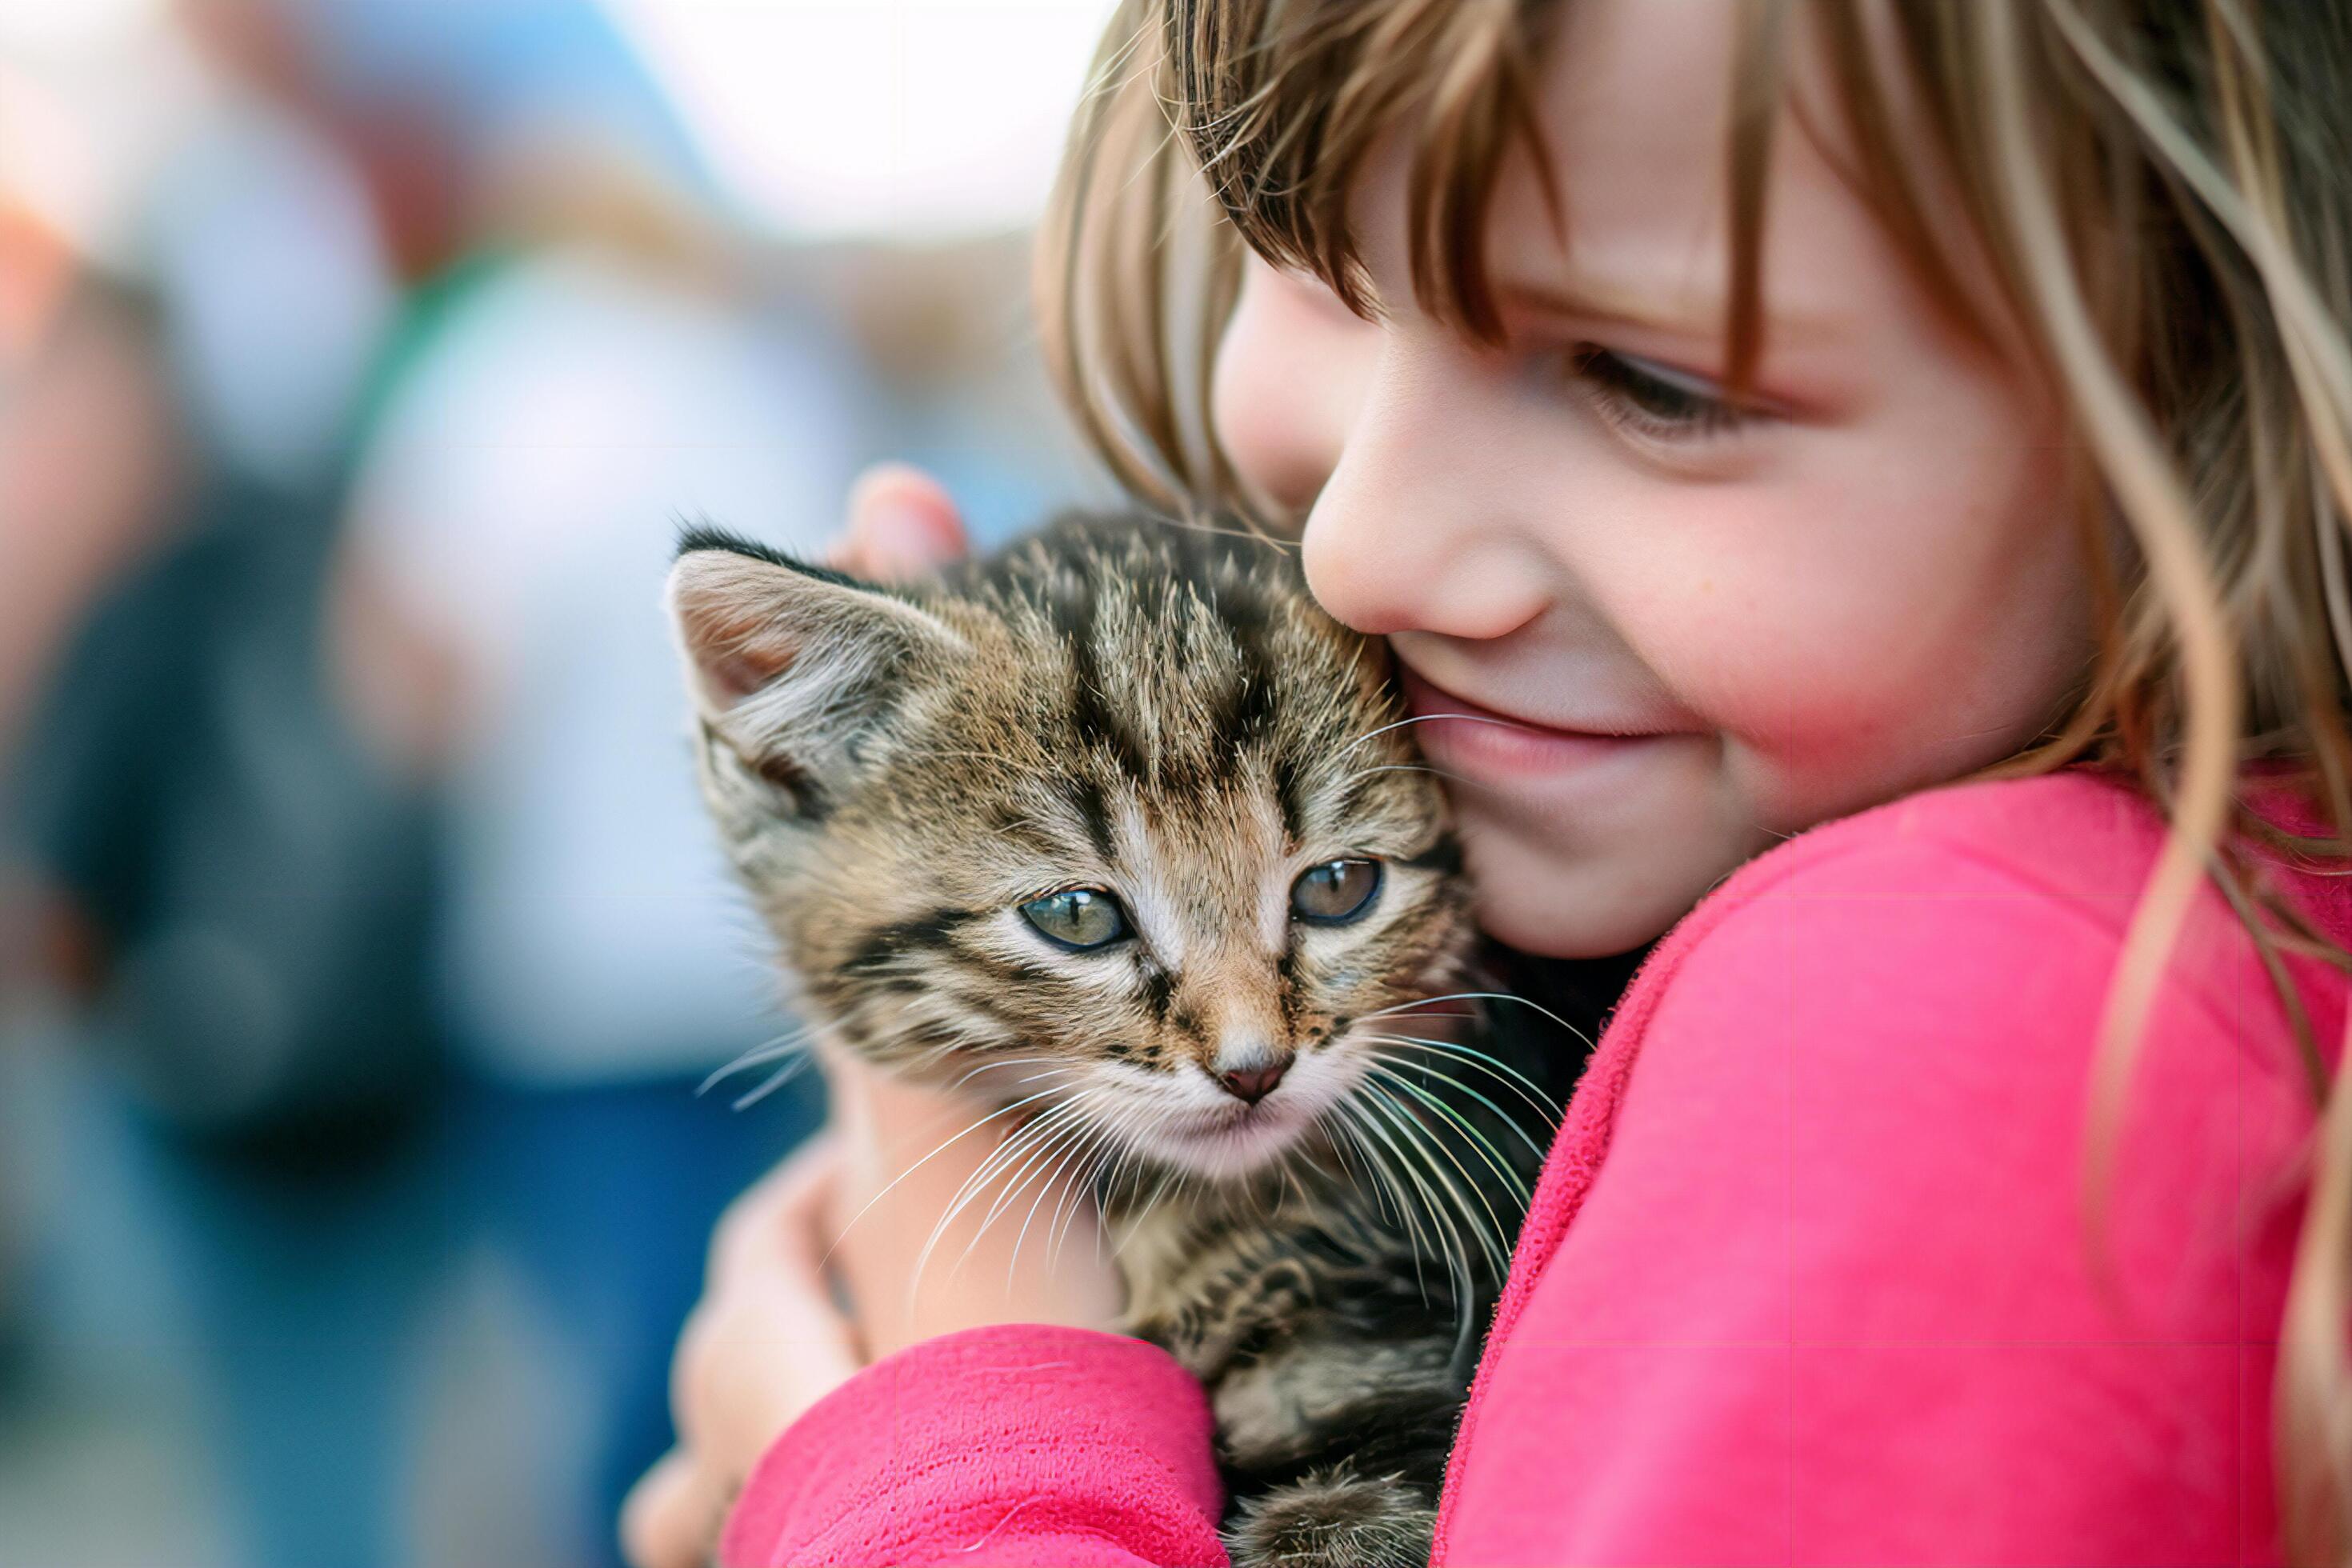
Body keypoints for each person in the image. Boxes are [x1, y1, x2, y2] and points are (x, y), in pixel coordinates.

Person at [622, 2, 2352, 1564]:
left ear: (2201, 387)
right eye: (1322, 275)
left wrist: (939, 1460)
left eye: (1656, 380)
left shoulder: (1948, 1004)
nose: (1361, 552)